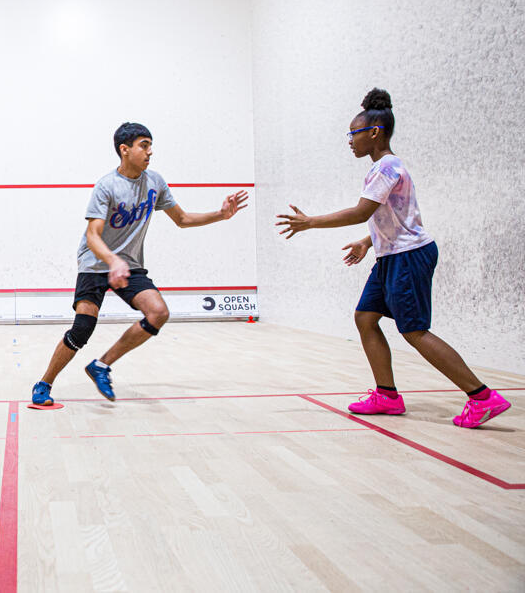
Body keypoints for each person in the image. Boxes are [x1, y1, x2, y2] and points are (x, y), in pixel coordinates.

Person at [276, 88, 510, 428]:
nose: (350, 141)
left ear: (374, 133)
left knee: (414, 331)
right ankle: (387, 396)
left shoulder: (388, 167)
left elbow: (361, 211)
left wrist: (311, 222)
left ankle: (481, 397)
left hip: (409, 257)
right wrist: (367, 243)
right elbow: (392, 218)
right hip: (391, 256)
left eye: (353, 134)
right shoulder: (381, 169)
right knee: (366, 317)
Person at [31, 122, 249, 406]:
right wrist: (112, 261)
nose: (150, 152)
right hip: (95, 263)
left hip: (130, 265)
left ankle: (101, 365)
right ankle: (44, 383)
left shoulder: (155, 182)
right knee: (83, 327)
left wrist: (221, 215)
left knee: (158, 313)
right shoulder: (106, 186)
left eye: (150, 146)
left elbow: (182, 220)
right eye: (144, 145)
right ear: (125, 150)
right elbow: (92, 235)